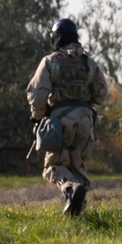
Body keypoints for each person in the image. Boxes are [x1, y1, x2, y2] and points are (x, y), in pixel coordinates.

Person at [26, 18, 109, 216]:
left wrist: (37, 117)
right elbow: (101, 92)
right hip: (86, 121)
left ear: (57, 38)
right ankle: (78, 214)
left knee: (53, 166)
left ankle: (70, 188)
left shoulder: (49, 61)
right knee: (77, 165)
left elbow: (37, 93)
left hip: (59, 123)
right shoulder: (89, 62)